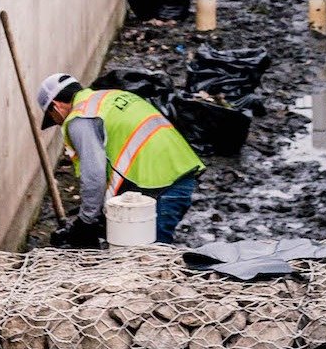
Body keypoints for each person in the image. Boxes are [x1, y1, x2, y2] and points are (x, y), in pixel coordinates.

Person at [36, 73, 205, 247]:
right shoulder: (109, 96)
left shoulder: (80, 118)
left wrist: (86, 221)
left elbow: (94, 175)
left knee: (151, 258)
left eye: (53, 119)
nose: (57, 123)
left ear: (55, 107)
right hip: (181, 170)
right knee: (150, 252)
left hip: (160, 186)